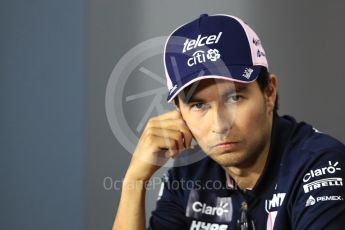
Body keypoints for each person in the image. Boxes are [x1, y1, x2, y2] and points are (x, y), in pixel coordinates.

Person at [113, 14, 345, 230]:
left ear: (269, 93)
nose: (220, 125)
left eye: (234, 98)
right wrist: (134, 181)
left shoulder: (321, 166)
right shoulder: (189, 174)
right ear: (179, 113)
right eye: (198, 105)